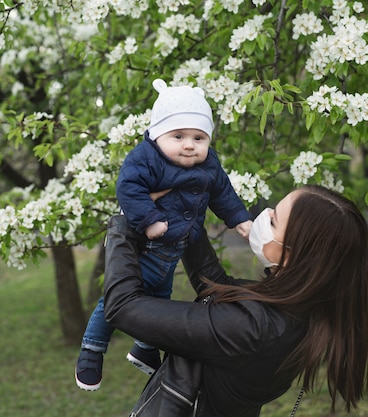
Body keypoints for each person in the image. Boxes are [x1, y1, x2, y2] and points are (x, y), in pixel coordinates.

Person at [102, 185, 368, 416]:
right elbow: (215, 286)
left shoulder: (253, 330)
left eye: (274, 220)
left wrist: (124, 222)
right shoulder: (295, 310)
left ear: (292, 255)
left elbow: (123, 306)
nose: (263, 217)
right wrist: (186, 216)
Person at [75, 79, 253, 391]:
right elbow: (127, 188)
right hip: (146, 247)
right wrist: (150, 219)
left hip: (174, 251)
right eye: (179, 136)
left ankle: (144, 348)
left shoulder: (209, 163)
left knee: (158, 300)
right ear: (158, 135)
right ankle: (92, 349)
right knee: (115, 302)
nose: (189, 145)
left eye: (199, 137)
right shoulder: (147, 157)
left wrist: (238, 218)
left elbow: (222, 192)